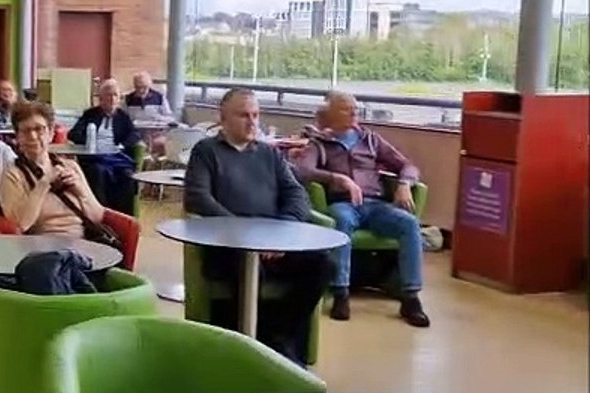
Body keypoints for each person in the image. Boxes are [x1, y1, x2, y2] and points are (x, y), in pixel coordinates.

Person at [183, 88, 334, 366]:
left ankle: (279, 337)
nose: (252, 122)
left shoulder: (270, 154)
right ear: (223, 118)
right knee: (247, 269)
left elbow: (297, 194)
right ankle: (260, 347)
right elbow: (198, 198)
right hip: (227, 244)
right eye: (243, 115)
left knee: (322, 264)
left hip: (275, 245)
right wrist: (247, 237)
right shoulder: (206, 152)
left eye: (255, 115)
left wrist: (282, 233)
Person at [297, 90, 429, 328]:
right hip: (343, 204)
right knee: (342, 221)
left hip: (375, 204)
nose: (354, 112)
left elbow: (407, 165)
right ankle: (341, 292)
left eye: (355, 108)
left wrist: (403, 184)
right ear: (330, 115)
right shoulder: (320, 144)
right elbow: (303, 169)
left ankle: (410, 297)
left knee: (409, 224)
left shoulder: (370, 139)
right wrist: (337, 178)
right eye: (346, 108)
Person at [0, 100, 105, 238]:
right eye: (25, 131)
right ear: (17, 137)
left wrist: (80, 190)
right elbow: (22, 223)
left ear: (51, 133)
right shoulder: (12, 174)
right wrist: (44, 183)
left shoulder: (70, 167)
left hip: (82, 242)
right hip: (42, 247)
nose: (33, 136)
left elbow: (98, 216)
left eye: (39, 129)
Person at [65, 78, 140, 215]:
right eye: (108, 95)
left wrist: (122, 145)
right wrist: (89, 143)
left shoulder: (123, 117)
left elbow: (134, 135)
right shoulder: (90, 114)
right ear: (101, 98)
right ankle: (100, 214)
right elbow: (73, 134)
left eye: (115, 95)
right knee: (97, 172)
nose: (112, 99)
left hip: (116, 157)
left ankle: (125, 217)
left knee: (127, 177)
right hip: (93, 158)